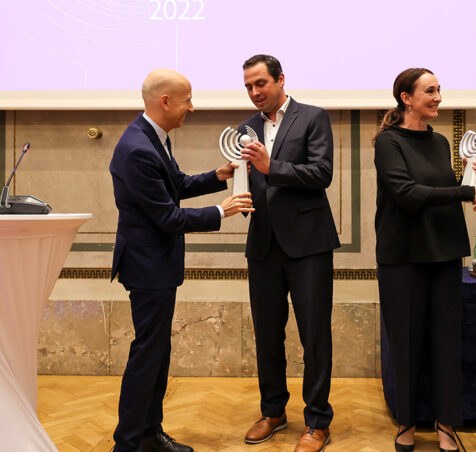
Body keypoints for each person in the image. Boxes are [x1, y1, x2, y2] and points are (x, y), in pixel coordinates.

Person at [109, 68, 254, 452]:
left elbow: (175, 185)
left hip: (157, 265)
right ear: (165, 101)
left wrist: (218, 176)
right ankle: (127, 443)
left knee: (157, 355)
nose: (192, 107)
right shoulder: (137, 149)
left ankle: (149, 434)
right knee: (147, 356)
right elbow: (169, 218)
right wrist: (222, 211)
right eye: (187, 100)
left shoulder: (153, 137)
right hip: (147, 267)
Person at [373, 68, 476, 452]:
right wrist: (465, 192)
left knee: (447, 342)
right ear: (406, 98)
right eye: (430, 91)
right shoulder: (388, 142)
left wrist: (468, 181)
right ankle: (407, 422)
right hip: (402, 256)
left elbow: (441, 192)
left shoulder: (440, 141)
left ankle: (446, 423)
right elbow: (407, 194)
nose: (438, 97)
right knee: (406, 344)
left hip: (444, 251)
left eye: (439, 90)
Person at [237, 55, 339, 452]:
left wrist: (270, 166)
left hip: (309, 244)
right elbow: (249, 180)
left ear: (280, 79)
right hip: (263, 244)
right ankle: (273, 411)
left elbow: (321, 173)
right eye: (248, 86)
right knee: (266, 334)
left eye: (260, 83)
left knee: (315, 336)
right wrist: (238, 185)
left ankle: (317, 421)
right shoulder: (245, 128)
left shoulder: (312, 117)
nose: (254, 92)